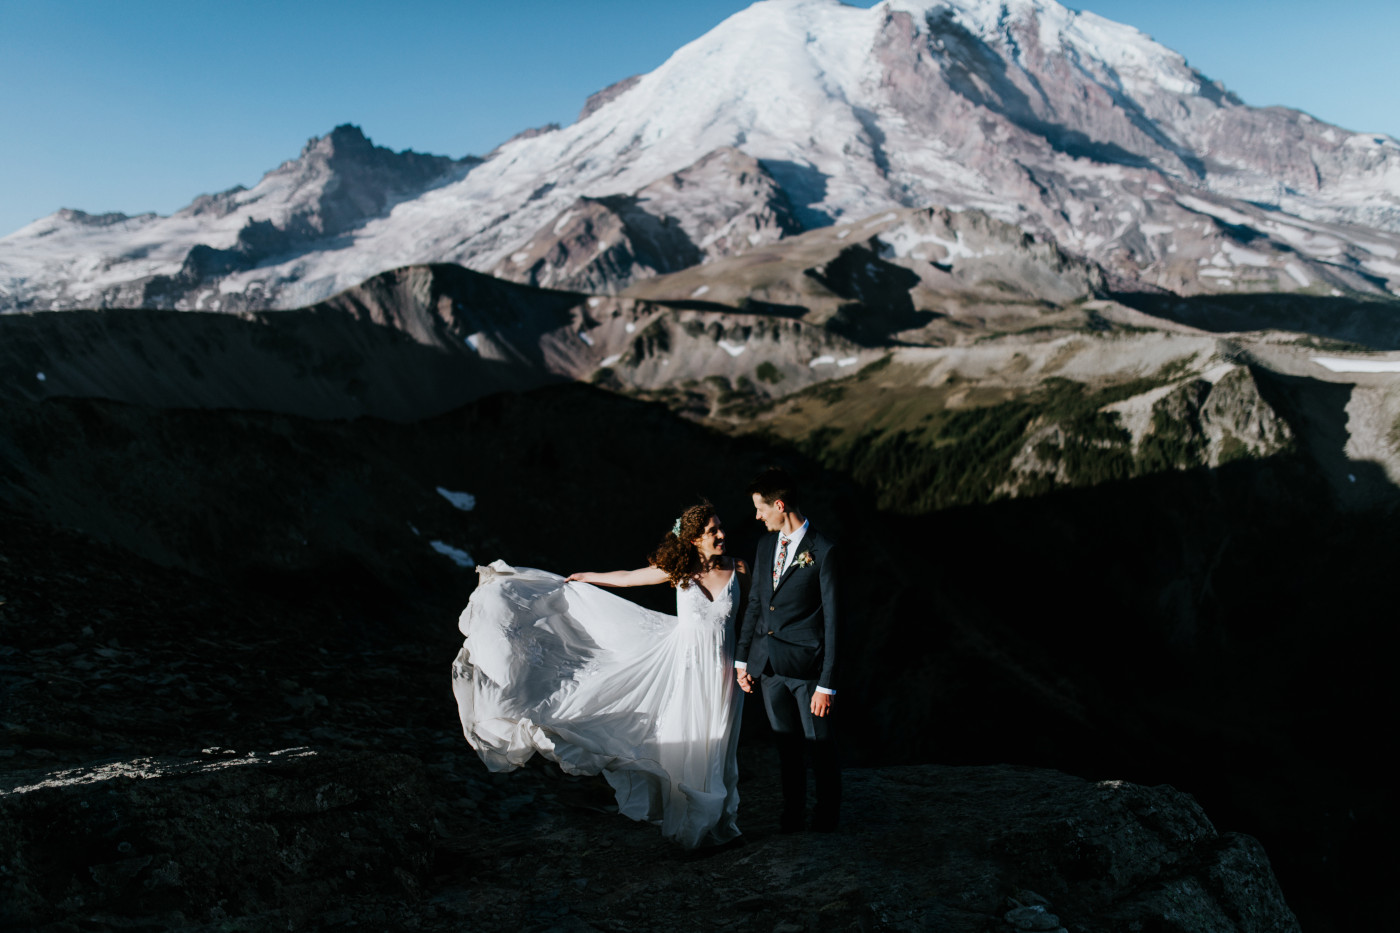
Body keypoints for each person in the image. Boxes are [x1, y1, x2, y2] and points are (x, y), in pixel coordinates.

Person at [450, 501, 748, 848]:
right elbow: (628, 578)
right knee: (696, 743)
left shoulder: (738, 567)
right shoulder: (678, 570)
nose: (722, 534)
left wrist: (749, 661)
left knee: (722, 745)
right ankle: (694, 829)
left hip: (725, 673)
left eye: (720, 527)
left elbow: (756, 616)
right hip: (686, 669)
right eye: (712, 531)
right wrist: (588, 578)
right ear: (695, 539)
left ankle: (723, 824)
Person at [735, 468, 842, 833]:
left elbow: (835, 622)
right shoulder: (765, 545)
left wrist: (827, 683)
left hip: (808, 670)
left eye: (760, 508)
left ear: (779, 505)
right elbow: (756, 606)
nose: (757, 516)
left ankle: (827, 817)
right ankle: (792, 814)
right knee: (786, 748)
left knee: (820, 748)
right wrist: (743, 660)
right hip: (767, 670)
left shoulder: (823, 551)